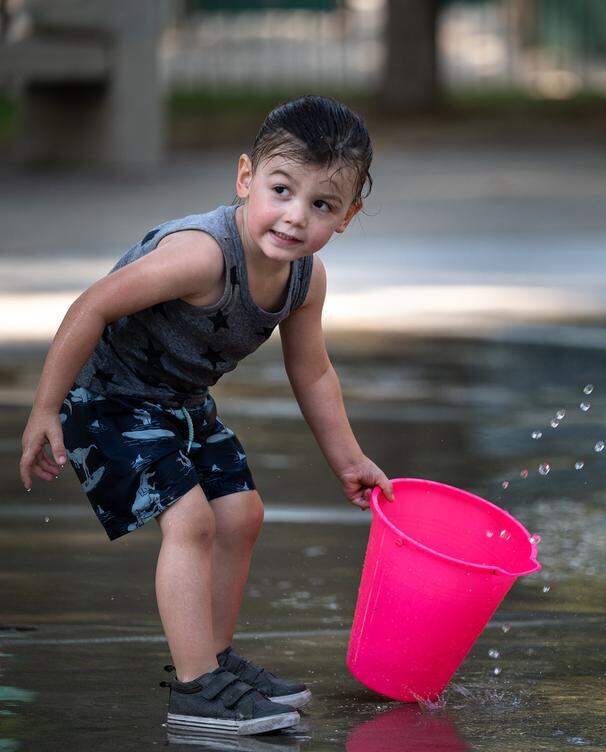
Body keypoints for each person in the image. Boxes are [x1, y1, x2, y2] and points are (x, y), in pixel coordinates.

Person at [17, 95, 395, 736]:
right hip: (102, 399)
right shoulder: (202, 256)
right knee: (188, 519)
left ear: (348, 216)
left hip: (179, 405)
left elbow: (312, 371)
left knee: (241, 514)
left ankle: (212, 664)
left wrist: (349, 460)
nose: (295, 217)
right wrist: (45, 410)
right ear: (246, 178)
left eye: (322, 205)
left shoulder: (306, 279)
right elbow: (92, 306)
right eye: (281, 190)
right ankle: (195, 690)